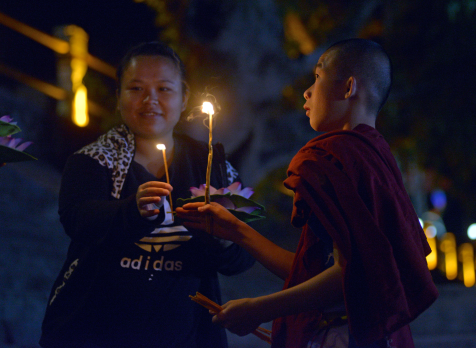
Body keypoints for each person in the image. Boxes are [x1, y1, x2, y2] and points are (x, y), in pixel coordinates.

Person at [176, 39, 439, 348]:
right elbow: (318, 272)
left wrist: (258, 310)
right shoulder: (378, 156)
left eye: (317, 77)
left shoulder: (329, 156)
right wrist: (238, 231)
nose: (307, 92)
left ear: (348, 88)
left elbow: (349, 277)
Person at [40, 41, 255, 348]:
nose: (149, 100)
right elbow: (78, 220)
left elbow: (243, 255)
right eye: (136, 88)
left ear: (184, 97)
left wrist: (225, 238)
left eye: (164, 89)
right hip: (94, 333)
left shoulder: (212, 167)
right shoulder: (92, 160)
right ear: (118, 97)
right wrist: (132, 211)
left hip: (185, 337)